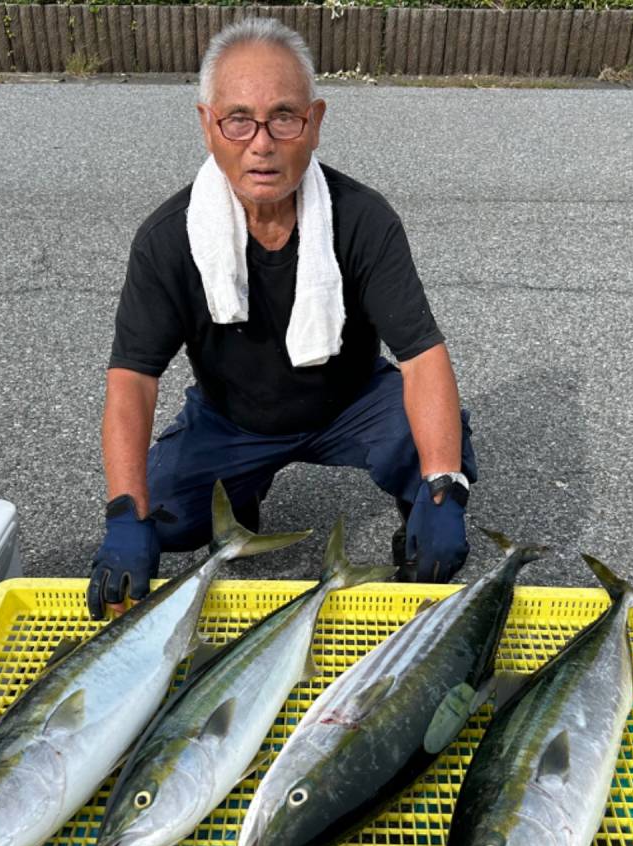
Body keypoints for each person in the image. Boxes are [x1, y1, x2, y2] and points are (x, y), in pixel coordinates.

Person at [86, 17, 478, 619]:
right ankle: (238, 502)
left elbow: (422, 356)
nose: (261, 143)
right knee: (161, 507)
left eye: (284, 118)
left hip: (350, 401)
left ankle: (422, 517)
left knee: (428, 445)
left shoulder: (363, 219)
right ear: (206, 125)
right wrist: (123, 512)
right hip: (231, 417)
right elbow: (132, 380)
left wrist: (444, 483)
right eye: (238, 119)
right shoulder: (168, 239)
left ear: (315, 123)